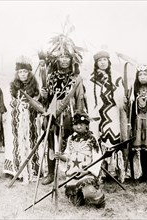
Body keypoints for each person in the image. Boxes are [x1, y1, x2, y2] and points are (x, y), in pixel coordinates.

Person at [39, 31, 87, 185]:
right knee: (52, 142)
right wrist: (44, 94)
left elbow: (80, 98)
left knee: (71, 142)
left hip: (69, 114)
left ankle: (72, 171)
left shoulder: (76, 78)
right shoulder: (51, 76)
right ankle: (51, 173)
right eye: (61, 57)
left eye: (67, 57)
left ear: (71, 59)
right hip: (53, 114)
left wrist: (79, 117)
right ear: (57, 59)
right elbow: (45, 99)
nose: (64, 60)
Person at [54, 111, 105, 208]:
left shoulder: (92, 139)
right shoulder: (70, 139)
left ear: (86, 125)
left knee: (90, 193)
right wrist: (61, 157)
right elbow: (68, 156)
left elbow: (98, 158)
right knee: (76, 202)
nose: (78, 127)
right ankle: (77, 195)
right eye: (76, 124)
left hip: (86, 174)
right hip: (73, 175)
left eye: (81, 124)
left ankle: (94, 195)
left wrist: (86, 171)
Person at [3, 56, 41, 184]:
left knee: (31, 141)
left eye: (25, 72)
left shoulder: (34, 87)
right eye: (20, 72)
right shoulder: (12, 87)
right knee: (15, 142)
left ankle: (33, 169)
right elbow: (9, 102)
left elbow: (37, 103)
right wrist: (19, 104)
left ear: (29, 73)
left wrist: (29, 104)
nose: (23, 74)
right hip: (15, 120)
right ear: (17, 73)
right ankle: (15, 170)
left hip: (30, 121)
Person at [90, 50, 126, 183]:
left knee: (114, 138)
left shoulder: (116, 77)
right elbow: (89, 97)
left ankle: (115, 169)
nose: (102, 62)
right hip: (97, 114)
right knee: (98, 139)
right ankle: (100, 170)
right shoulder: (91, 78)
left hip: (113, 112)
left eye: (105, 60)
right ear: (96, 63)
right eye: (100, 60)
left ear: (108, 61)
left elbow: (121, 98)